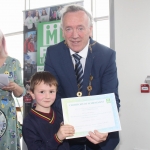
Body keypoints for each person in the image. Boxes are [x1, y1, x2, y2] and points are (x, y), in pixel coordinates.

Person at [44, 4, 120, 150]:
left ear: (90, 30)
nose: (74, 35)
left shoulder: (106, 56)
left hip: (101, 138)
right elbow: (52, 94)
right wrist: (75, 119)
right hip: (67, 138)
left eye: (80, 28)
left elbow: (112, 98)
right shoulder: (53, 54)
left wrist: (104, 127)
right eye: (68, 29)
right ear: (62, 31)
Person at [22, 71, 75, 150]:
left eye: (51, 91)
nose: (47, 96)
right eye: (42, 92)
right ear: (32, 94)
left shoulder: (61, 114)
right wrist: (58, 138)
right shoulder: (29, 123)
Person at [0, 29, 26, 150]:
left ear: (2, 41)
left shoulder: (13, 62)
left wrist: (15, 86)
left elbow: (21, 92)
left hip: (7, 113)